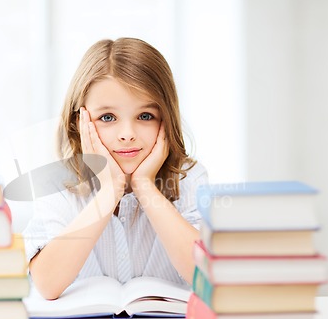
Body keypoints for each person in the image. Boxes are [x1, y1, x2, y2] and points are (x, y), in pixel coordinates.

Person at [23, 37, 208, 300]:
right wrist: (109, 191)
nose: (127, 134)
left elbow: (207, 276)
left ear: (166, 119)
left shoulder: (190, 178)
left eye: (145, 116)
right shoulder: (58, 183)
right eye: (107, 118)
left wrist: (146, 187)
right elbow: (47, 283)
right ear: (80, 121)